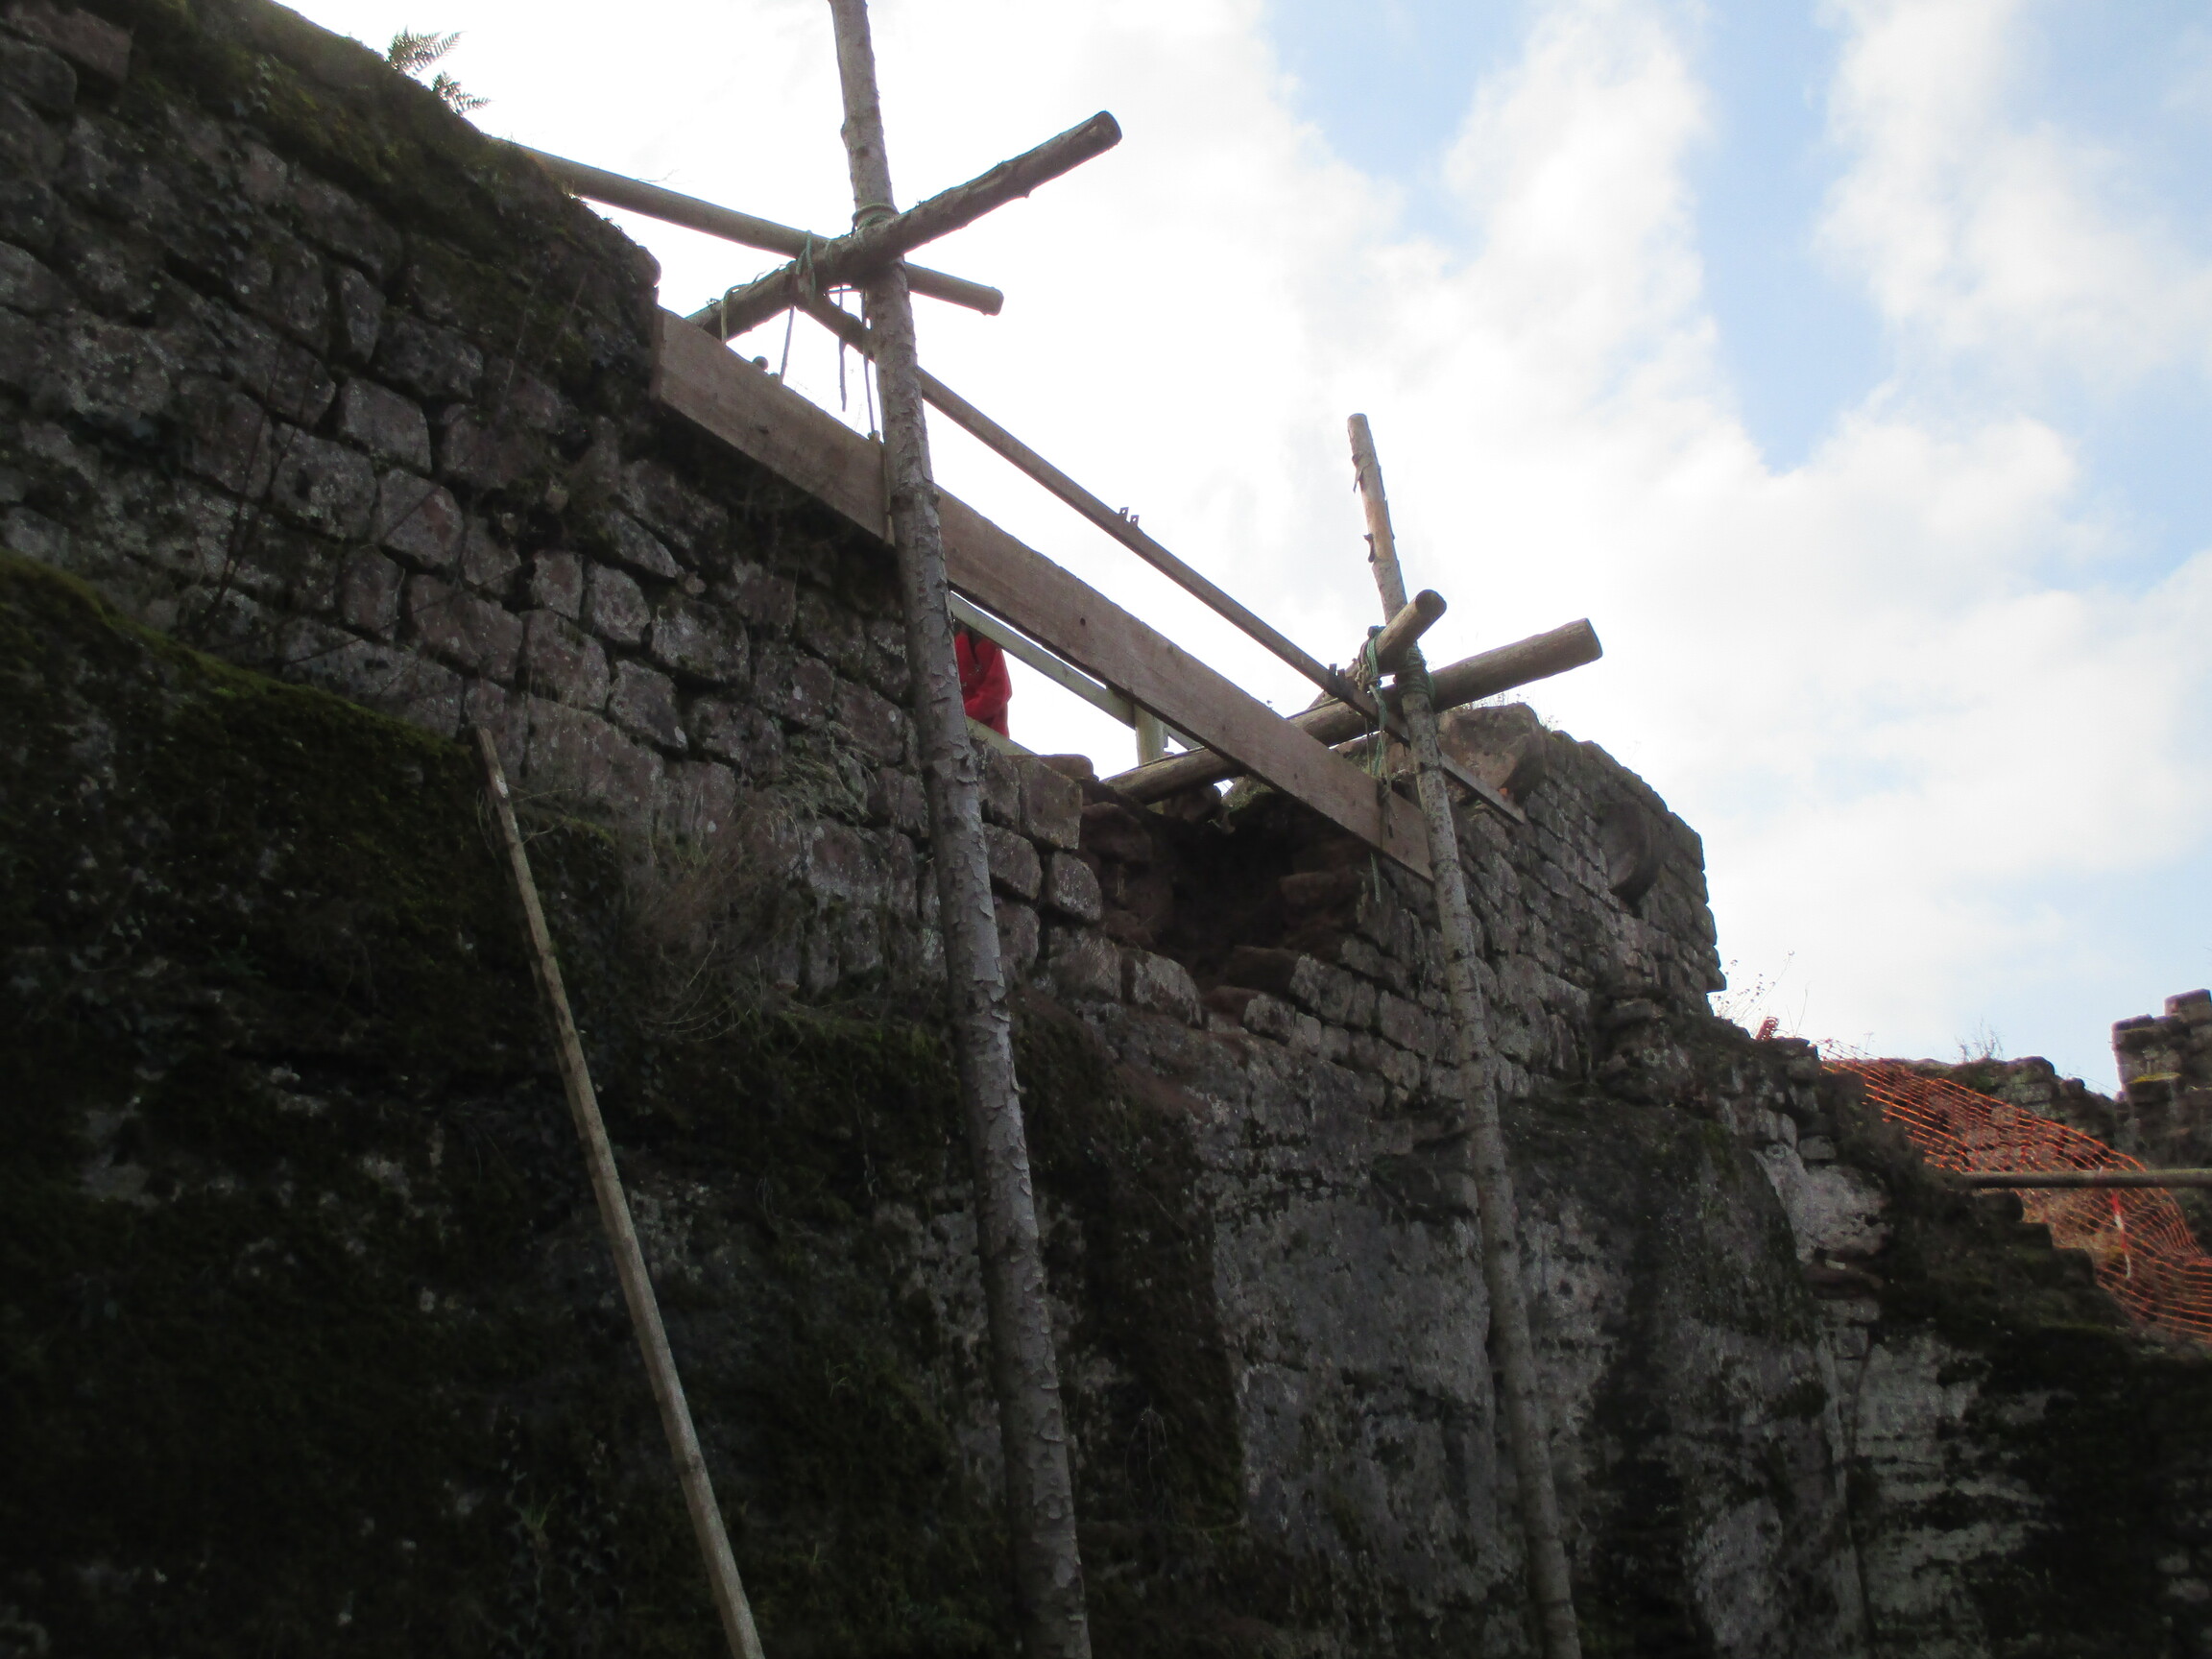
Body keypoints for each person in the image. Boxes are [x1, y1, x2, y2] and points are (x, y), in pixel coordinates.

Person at [955, 623, 1011, 736]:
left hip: (986, 738)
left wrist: (955, 717)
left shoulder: (975, 630)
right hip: (949, 732)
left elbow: (997, 693)